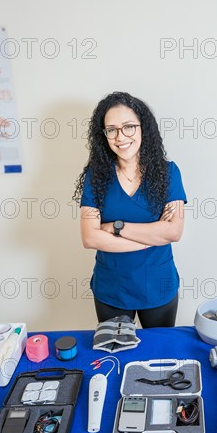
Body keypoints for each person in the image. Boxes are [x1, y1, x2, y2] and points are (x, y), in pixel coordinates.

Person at [73, 91, 187, 328]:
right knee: (116, 354)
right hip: (112, 288)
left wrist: (116, 227)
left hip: (158, 285)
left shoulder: (169, 173)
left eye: (128, 127)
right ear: (103, 135)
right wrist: (150, 238)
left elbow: (173, 232)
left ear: (143, 128)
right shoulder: (96, 177)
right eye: (111, 129)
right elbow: (90, 237)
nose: (120, 136)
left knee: (158, 355)